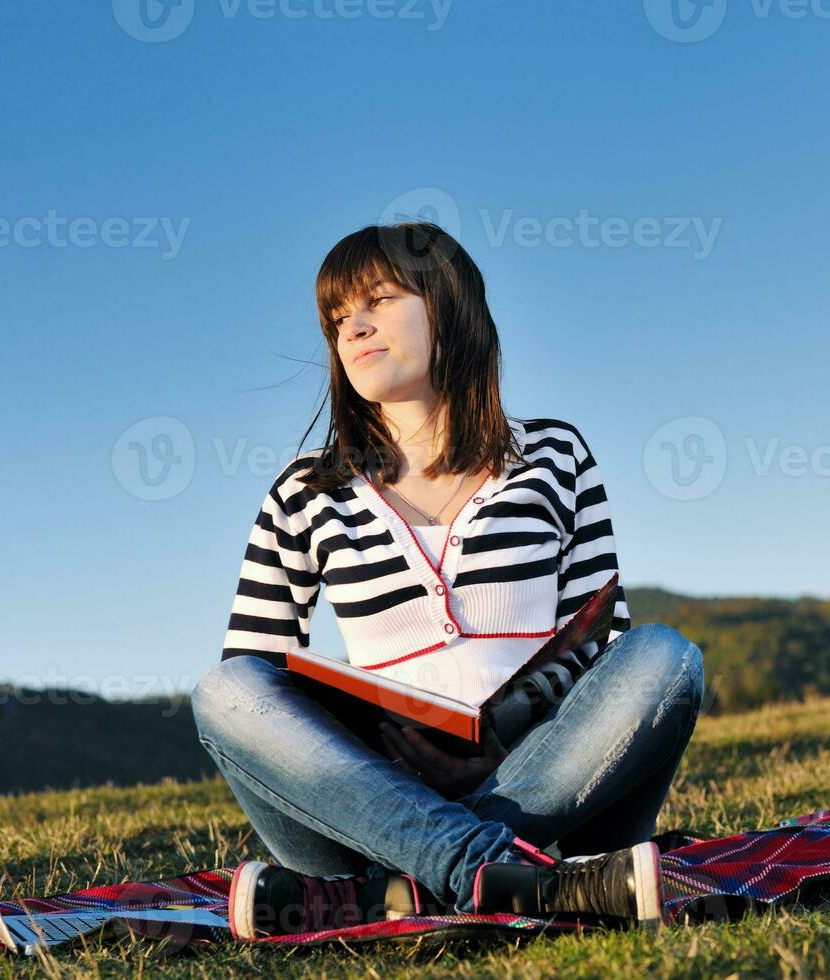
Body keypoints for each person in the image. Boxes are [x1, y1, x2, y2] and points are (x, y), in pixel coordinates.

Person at [190, 221, 705, 938]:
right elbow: (256, 683)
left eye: (377, 300)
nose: (353, 328)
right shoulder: (304, 489)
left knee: (663, 655)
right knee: (227, 691)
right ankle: (499, 873)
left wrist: (505, 731)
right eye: (338, 319)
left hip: (543, 779)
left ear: (450, 306)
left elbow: (602, 648)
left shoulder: (554, 454)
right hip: (368, 810)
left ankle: (404, 894)